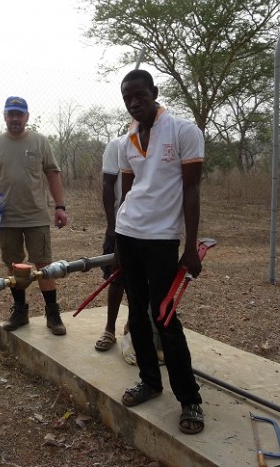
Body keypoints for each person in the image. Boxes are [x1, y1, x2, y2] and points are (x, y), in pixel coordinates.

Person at [114, 70, 205, 434]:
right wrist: (116, 240)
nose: (134, 103)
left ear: (154, 92)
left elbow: (193, 190)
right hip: (128, 234)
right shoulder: (126, 140)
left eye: (140, 95)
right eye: (127, 98)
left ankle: (190, 400)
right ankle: (150, 382)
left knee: (164, 317)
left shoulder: (183, 131)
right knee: (137, 315)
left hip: (163, 239)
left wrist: (190, 246)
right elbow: (126, 193)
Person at [0, 96, 68, 335]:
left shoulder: (40, 142)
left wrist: (60, 206)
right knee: (13, 266)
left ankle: (53, 313)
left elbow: (53, 174)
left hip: (36, 215)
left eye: (19, 114)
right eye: (11, 114)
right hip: (6, 218)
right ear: (4, 116)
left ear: (27, 116)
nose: (15, 119)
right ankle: (20, 311)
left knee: (44, 265)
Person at [95, 135, 164, 364]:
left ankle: (133, 326)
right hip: (124, 224)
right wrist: (112, 225)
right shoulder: (117, 146)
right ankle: (109, 329)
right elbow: (108, 185)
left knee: (145, 282)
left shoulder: (161, 146)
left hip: (151, 226)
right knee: (117, 278)